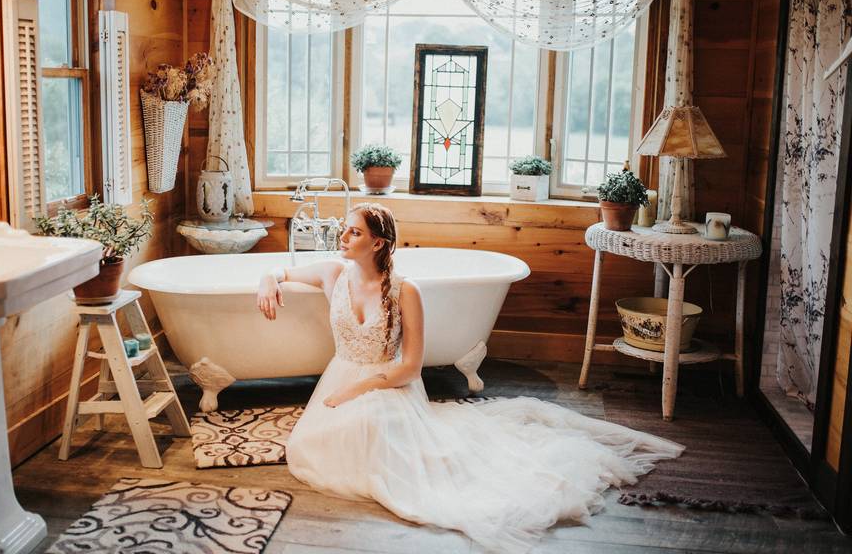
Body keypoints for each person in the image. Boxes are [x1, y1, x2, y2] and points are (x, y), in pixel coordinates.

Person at [257, 202, 684, 553]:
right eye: (345, 230)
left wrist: (356, 388)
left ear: (378, 242)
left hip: (386, 386)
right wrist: (267, 281)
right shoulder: (333, 273)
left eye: (353, 232)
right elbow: (280, 271)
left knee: (384, 457)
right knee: (317, 451)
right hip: (338, 383)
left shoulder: (405, 290)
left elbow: (408, 366)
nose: (343, 237)